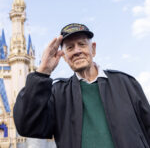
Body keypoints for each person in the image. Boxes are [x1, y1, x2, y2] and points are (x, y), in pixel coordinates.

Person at [13, 23, 150, 148]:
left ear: (93, 49)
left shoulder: (125, 83)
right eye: (70, 47)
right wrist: (43, 72)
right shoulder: (57, 93)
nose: (77, 51)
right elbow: (27, 125)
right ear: (65, 57)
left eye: (82, 44)